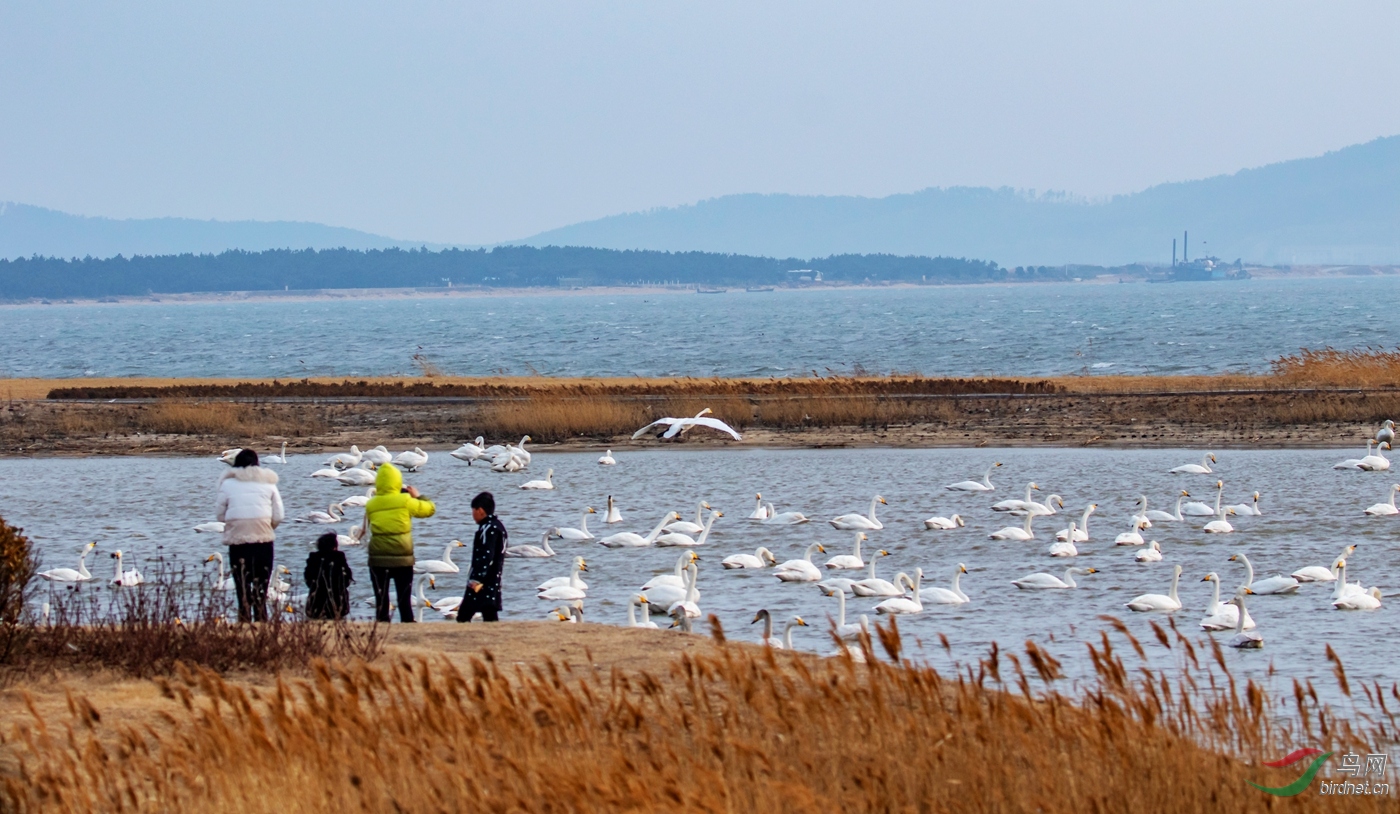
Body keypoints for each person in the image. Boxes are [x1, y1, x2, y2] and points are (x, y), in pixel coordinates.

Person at [215, 448, 284, 623]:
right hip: (264, 541)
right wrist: (268, 527)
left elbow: (220, 515)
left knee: (242, 586)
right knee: (261, 585)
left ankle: (243, 620)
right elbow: (279, 515)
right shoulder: (269, 483)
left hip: (238, 542)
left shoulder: (227, 484)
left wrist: (234, 523)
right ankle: (261, 621)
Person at [364, 462, 435, 623]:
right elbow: (429, 509)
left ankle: (382, 631)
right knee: (404, 601)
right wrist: (417, 496)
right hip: (402, 558)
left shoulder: (371, 504)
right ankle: (407, 626)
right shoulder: (405, 501)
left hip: (377, 559)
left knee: (381, 601)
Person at [457, 491, 507, 623]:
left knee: (463, 616)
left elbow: (486, 555)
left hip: (482, 582)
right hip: (494, 580)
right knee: (490, 614)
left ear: (480, 510)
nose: (472, 515)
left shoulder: (487, 529)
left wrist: (476, 579)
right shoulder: (498, 526)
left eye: (473, 511)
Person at [304, 532, 354, 620]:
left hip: (315, 607)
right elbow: (347, 579)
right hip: (339, 607)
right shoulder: (339, 558)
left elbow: (308, 580)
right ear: (335, 547)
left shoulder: (313, 559)